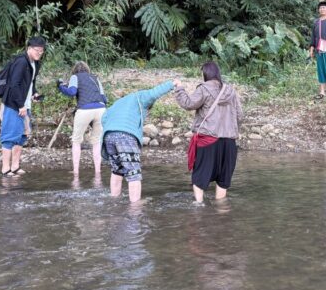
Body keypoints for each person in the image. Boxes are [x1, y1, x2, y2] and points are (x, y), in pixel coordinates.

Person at [174, 61, 244, 203]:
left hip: (208, 140)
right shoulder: (230, 91)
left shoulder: (204, 89)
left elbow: (188, 104)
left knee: (200, 175)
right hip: (229, 142)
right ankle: (220, 211)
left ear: (206, 74)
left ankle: (198, 207)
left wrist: (179, 88)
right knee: (223, 179)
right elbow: (240, 116)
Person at [99, 80, 175, 202]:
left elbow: (104, 118)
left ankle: (114, 201)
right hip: (126, 136)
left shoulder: (119, 102)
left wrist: (112, 129)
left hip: (108, 135)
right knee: (133, 173)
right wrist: (173, 84)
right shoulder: (141, 97)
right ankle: (135, 208)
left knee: (117, 170)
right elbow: (155, 92)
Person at [0, 35, 46, 176]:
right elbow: (14, 85)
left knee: (22, 137)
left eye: (42, 50)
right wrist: (20, 105)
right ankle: (5, 169)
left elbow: (30, 83)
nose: (39, 53)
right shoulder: (21, 62)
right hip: (14, 105)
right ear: (29, 48)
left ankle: (15, 167)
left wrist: (34, 94)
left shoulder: (35, 64)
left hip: (25, 105)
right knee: (9, 137)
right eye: (37, 50)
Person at [57, 60, 108, 178]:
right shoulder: (96, 78)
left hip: (84, 110)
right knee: (96, 141)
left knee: (76, 140)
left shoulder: (75, 77)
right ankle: (97, 172)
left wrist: (60, 86)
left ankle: (75, 172)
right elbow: (104, 99)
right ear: (87, 69)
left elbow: (71, 92)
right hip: (101, 110)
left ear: (75, 70)